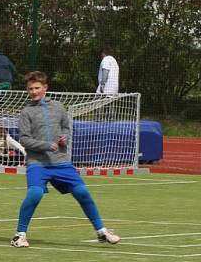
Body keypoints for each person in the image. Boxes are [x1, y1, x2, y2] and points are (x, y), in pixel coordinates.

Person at [10, 71, 120, 248]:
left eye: (37, 88)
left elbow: (67, 129)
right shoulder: (26, 112)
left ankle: (102, 232)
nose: (33, 91)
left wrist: (64, 138)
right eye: (30, 89)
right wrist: (46, 145)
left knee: (83, 192)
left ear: (45, 87)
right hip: (38, 163)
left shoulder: (59, 107)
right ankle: (19, 235)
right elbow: (24, 140)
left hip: (61, 162)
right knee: (35, 194)